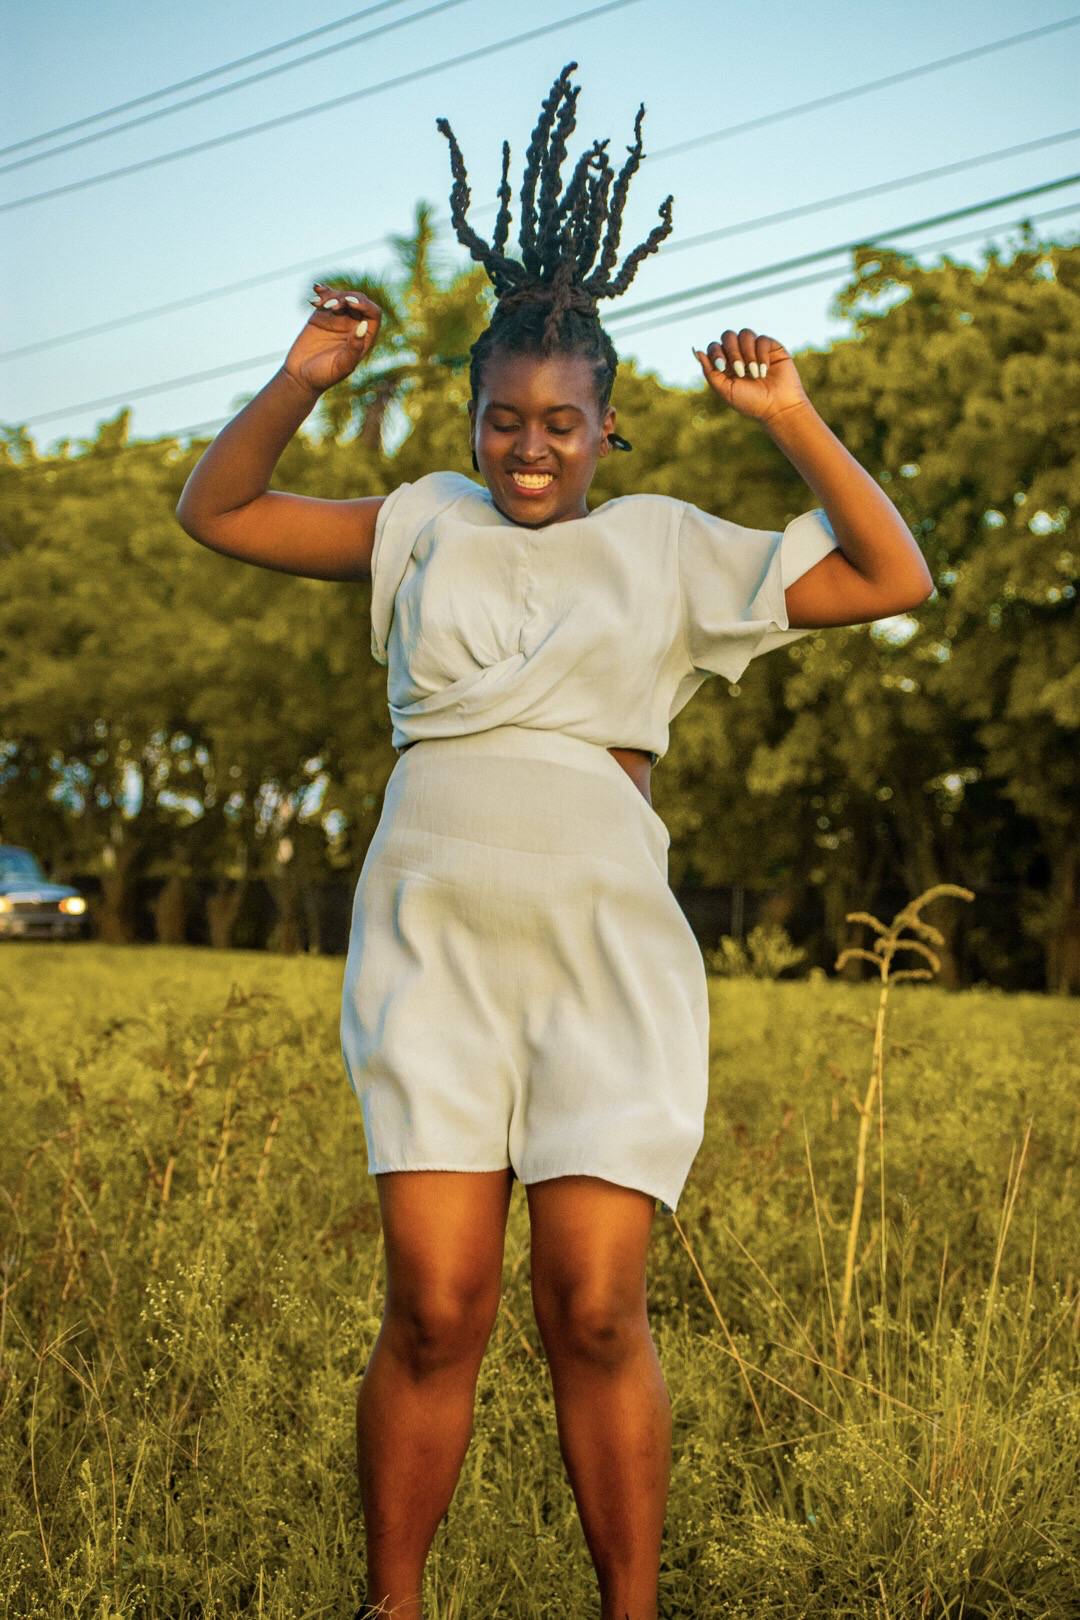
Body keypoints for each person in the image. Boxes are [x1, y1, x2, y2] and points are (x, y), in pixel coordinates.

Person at [176, 63, 933, 1620]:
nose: (532, 450)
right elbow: (223, 511)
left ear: (607, 426)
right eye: (504, 421)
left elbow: (889, 574)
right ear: (470, 422)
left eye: (562, 425)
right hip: (435, 939)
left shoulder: (664, 545)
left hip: (603, 947)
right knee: (438, 1303)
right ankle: (396, 1608)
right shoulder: (420, 520)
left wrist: (790, 414)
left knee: (593, 1309)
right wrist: (305, 373)